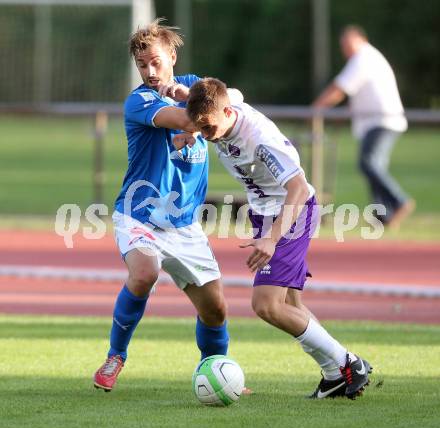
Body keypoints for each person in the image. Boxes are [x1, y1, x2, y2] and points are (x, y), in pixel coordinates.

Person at [174, 77, 372, 399]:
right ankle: (335, 374)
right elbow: (226, 93)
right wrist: (187, 114)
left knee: (265, 305)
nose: (205, 136)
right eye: (200, 128)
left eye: (208, 128)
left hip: (290, 212)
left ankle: (349, 362)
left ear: (227, 112)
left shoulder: (259, 140)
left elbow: (296, 189)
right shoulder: (223, 108)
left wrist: (270, 240)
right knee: (290, 304)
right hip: (265, 211)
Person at [93, 19, 235, 392]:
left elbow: (228, 99)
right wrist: (191, 111)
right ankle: (115, 356)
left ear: (172, 56)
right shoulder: (139, 100)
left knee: (215, 309)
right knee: (144, 273)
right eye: (142, 65)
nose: (150, 71)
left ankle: (215, 368)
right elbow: (193, 116)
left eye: (156, 62)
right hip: (138, 214)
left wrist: (188, 93)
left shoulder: (191, 82)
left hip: (184, 224)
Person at [313, 25, 414, 229]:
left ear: (361, 40)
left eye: (348, 44)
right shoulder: (369, 58)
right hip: (378, 120)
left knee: (368, 163)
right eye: (344, 46)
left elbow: (339, 89)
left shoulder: (363, 58)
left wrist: (316, 108)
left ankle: (399, 201)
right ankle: (382, 216)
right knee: (373, 165)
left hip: (382, 120)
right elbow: (362, 92)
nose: (346, 50)